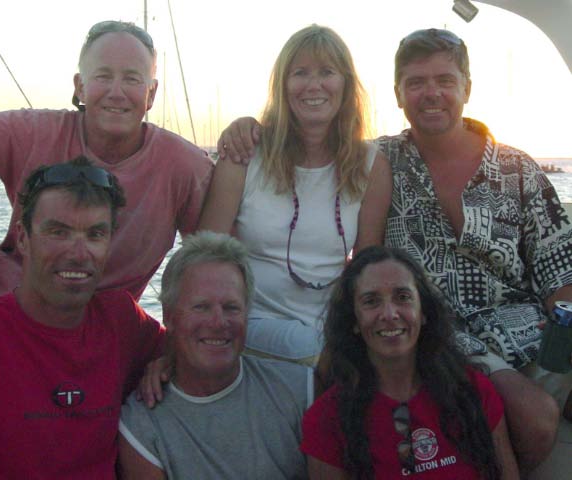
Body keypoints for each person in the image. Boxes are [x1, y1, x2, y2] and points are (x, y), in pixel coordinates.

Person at [215, 28, 569, 477]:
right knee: (535, 417)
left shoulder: (517, 169)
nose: (431, 93)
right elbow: (315, 151)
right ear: (398, 94)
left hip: (526, 330)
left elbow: (560, 269)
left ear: (467, 88)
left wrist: (562, 334)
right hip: (436, 332)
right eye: (416, 82)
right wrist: (245, 126)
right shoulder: (384, 160)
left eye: (445, 80)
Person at [0, 20, 213, 301]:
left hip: (109, 320)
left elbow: (215, 257)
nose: (116, 92)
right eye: (103, 76)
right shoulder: (31, 132)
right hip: (3, 301)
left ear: (151, 93)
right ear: (80, 87)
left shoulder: (185, 166)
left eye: (132, 79)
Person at [199, 25, 392, 365]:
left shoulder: (370, 165)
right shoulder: (245, 154)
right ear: (282, 85)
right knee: (308, 350)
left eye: (327, 72)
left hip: (329, 330)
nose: (313, 85)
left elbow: (366, 267)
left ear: (345, 84)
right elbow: (203, 255)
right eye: (300, 73)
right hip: (250, 323)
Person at [0, 156, 165, 478]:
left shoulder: (121, 320)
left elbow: (188, 353)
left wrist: (166, 361)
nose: (78, 254)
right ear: (22, 238)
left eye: (95, 235)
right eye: (58, 232)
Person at [301, 245, 519, 479]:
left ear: (423, 311)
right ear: (353, 319)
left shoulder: (473, 392)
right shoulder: (326, 420)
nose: (389, 314)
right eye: (371, 301)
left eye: (403, 297)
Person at [117, 231, 313, 479]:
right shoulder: (143, 424)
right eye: (201, 307)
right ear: (169, 315)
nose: (218, 322)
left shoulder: (300, 391)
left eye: (231, 307)